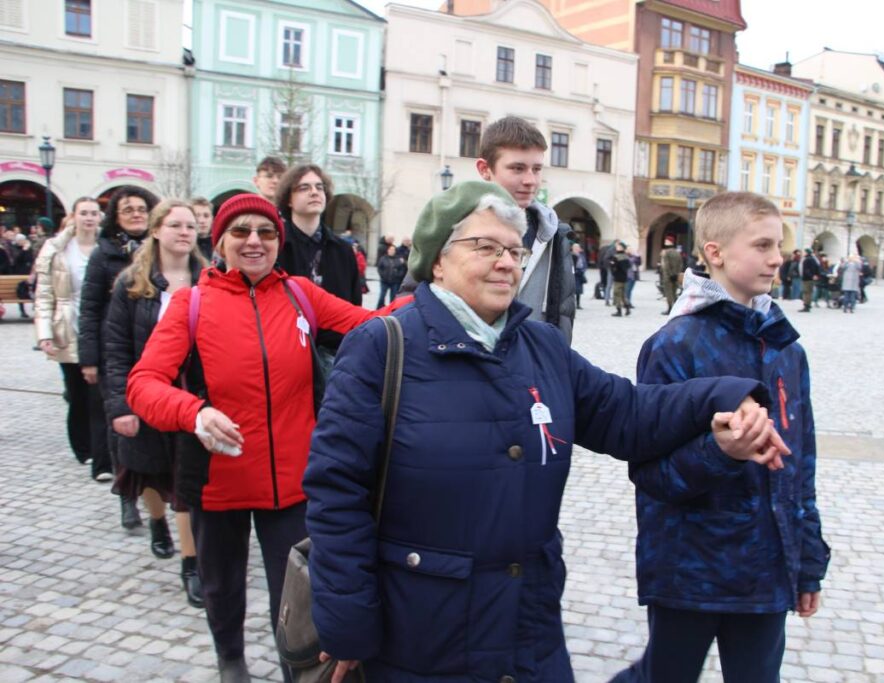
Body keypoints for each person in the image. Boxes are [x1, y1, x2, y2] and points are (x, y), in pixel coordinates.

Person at [303, 181, 787, 683]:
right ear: (438, 261)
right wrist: (348, 624)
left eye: (514, 250)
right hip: (422, 629)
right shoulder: (383, 347)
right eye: (486, 247)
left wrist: (722, 396)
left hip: (527, 623)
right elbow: (337, 490)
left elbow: (625, 413)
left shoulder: (539, 343)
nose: (506, 262)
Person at [125, 194, 410, 683]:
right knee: (222, 584)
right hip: (219, 480)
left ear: (279, 241)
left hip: (294, 483)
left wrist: (438, 295)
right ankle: (230, 660)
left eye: (266, 232)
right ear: (219, 242)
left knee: (297, 591)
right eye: (241, 232)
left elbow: (373, 325)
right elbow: (143, 384)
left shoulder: (300, 294)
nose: (254, 241)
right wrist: (194, 413)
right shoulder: (190, 305)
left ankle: (295, 669)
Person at [615, 192, 830, 683]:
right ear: (715, 253)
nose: (777, 257)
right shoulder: (675, 345)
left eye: (777, 245)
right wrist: (721, 452)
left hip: (766, 571)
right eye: (761, 245)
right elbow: (650, 475)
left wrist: (809, 560)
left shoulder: (784, 347)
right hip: (688, 571)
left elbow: (802, 465)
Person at [104, 200, 207, 608]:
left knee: (186, 481)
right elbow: (116, 348)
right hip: (144, 394)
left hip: (192, 397)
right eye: (175, 225)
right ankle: (157, 523)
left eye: (190, 226)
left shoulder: (211, 279)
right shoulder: (132, 283)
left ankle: (191, 564)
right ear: (157, 230)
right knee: (146, 473)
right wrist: (120, 406)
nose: (184, 231)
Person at [79, 186, 159, 515]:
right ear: (116, 216)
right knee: (121, 424)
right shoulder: (105, 253)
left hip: (153, 350)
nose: (136, 214)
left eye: (142, 208)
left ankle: (156, 490)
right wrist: (89, 358)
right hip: (116, 351)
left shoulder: (161, 250)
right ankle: (128, 496)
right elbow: (89, 307)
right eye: (128, 210)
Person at [467, 117, 576, 341]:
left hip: (530, 365)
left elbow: (562, 313)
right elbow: (415, 300)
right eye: (517, 169)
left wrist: (556, 361)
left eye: (536, 169)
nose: (530, 180)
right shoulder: (453, 225)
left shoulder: (554, 234)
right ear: (485, 169)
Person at [33, 197, 101, 468]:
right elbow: (44, 292)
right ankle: (82, 447)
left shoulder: (105, 246)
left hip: (97, 326)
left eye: (94, 213)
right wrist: (44, 333)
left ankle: (101, 447)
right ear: (74, 216)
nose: (89, 218)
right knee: (76, 392)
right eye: (84, 213)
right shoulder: (57, 247)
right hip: (67, 324)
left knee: (98, 392)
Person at [275, 164, 363, 357]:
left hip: (336, 353)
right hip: (287, 351)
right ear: (289, 199)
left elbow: (354, 305)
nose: (314, 192)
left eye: (319, 187)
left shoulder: (343, 251)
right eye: (304, 188)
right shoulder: (276, 248)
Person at [375, 243, 406, 308]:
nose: (392, 251)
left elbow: (402, 269)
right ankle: (379, 308)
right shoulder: (383, 258)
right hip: (384, 281)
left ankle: (392, 309)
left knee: (393, 297)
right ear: (388, 250)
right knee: (382, 296)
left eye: (393, 250)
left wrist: (398, 275)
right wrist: (382, 275)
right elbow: (379, 268)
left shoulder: (399, 259)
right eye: (390, 249)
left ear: (395, 251)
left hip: (395, 282)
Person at [660, 238, 683, 314]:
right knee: (674, 292)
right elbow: (681, 264)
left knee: (668, 293)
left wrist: (669, 275)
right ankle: (676, 308)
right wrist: (676, 274)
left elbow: (665, 265)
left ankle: (670, 308)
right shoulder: (677, 252)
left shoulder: (665, 253)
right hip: (676, 275)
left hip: (668, 276)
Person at [609, 241, 632, 317]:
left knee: (617, 294)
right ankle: (627, 307)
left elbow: (613, 267)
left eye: (618, 246)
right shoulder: (626, 257)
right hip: (624, 278)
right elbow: (628, 267)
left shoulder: (616, 257)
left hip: (618, 278)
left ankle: (619, 310)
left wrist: (613, 267)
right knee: (623, 295)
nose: (617, 247)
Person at [798, 248, 820, 313]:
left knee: (806, 292)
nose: (803, 253)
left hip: (807, 278)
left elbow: (806, 270)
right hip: (811, 278)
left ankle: (806, 306)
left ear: (807, 252)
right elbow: (818, 268)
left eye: (804, 252)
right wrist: (816, 275)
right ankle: (808, 305)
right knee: (809, 292)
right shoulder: (814, 259)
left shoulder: (806, 260)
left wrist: (811, 276)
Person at [572, 242, 587, 309]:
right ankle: (573, 304)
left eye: (578, 248)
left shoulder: (581, 256)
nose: (577, 249)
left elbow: (585, 264)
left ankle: (578, 304)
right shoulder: (571, 255)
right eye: (576, 248)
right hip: (574, 275)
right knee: (572, 291)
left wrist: (583, 270)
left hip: (580, 275)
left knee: (579, 291)